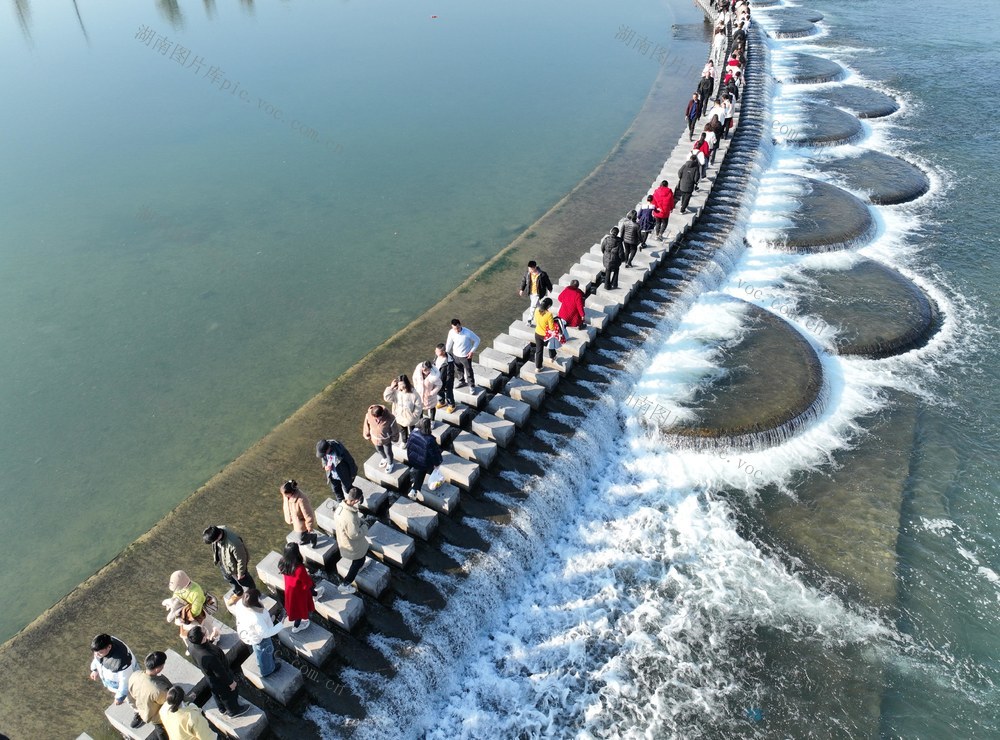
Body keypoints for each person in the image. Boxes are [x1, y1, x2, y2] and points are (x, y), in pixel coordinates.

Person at [186, 626, 249, 717]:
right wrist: (230, 683)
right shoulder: (209, 657)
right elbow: (220, 672)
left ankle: (222, 709)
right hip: (220, 678)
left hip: (209, 677)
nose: (206, 629)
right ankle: (233, 711)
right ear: (203, 638)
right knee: (228, 694)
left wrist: (210, 641)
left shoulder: (191, 646)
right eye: (204, 630)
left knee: (216, 693)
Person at [229, 588, 284, 678]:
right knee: (263, 651)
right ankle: (267, 670)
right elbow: (265, 633)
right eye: (258, 597)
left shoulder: (240, 604)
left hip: (249, 633)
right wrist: (280, 625)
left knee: (259, 651)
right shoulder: (256, 618)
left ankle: (262, 662)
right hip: (258, 637)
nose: (260, 598)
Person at [202, 525, 255, 606]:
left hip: (236, 569)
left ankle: (253, 594)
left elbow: (242, 559)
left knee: (245, 581)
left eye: (212, 542)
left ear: (217, 538)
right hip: (224, 564)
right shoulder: (217, 530)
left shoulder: (234, 543)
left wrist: (241, 573)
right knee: (229, 579)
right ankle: (239, 593)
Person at [165, 571, 220, 642]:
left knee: (207, 630)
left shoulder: (196, 592)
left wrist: (185, 617)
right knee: (185, 634)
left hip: (198, 615)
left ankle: (214, 638)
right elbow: (175, 597)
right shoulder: (179, 589)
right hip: (186, 615)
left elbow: (196, 611)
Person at [127, 651, 171, 739]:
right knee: (163, 731)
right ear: (157, 669)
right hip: (157, 717)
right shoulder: (158, 690)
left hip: (143, 711)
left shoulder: (135, 675)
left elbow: (130, 696)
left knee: (160, 731)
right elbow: (171, 702)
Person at [334, 487, 371, 590]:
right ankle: (345, 584)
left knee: (360, 558)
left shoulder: (340, 508)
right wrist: (365, 527)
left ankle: (360, 566)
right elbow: (354, 535)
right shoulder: (349, 517)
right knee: (358, 561)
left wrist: (358, 521)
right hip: (352, 544)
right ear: (355, 500)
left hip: (343, 540)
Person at [89, 633, 136, 706]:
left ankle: (138, 711)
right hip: (114, 682)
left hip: (127, 683)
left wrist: (120, 697)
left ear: (109, 647)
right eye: (95, 652)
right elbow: (97, 660)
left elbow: (125, 681)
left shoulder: (122, 661)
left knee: (132, 699)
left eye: (100, 652)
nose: (96, 655)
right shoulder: (101, 647)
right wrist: (95, 669)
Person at [405, 418, 443, 499]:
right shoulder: (430, 440)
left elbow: (409, 446)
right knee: (429, 470)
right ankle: (434, 482)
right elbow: (434, 454)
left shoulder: (412, 433)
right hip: (425, 461)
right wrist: (437, 463)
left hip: (414, 459)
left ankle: (414, 490)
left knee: (421, 471)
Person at [383, 374, 422, 444]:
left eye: (402, 384)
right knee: (402, 429)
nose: (401, 387)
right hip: (400, 416)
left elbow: (418, 406)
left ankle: (413, 440)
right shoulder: (396, 392)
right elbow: (387, 398)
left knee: (413, 429)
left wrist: (414, 416)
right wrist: (391, 388)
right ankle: (404, 441)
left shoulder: (414, 394)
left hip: (411, 418)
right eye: (399, 384)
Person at [316, 438, 358, 503]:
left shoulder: (339, 450)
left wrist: (353, 474)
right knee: (336, 490)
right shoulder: (324, 453)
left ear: (328, 448)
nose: (324, 455)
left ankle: (359, 495)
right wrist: (325, 467)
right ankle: (341, 504)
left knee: (347, 489)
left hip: (343, 475)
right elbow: (323, 460)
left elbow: (350, 461)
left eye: (324, 453)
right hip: (332, 476)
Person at [280, 479, 318, 547]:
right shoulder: (286, 495)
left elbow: (308, 514)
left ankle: (313, 537)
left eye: (286, 495)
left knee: (301, 537)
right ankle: (305, 538)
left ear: (291, 492)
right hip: (294, 518)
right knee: (300, 536)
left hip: (301, 521)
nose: (285, 496)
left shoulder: (301, 500)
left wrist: (309, 527)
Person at [362, 403, 399, 472]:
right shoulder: (368, 415)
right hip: (375, 438)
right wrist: (367, 435)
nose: (376, 419)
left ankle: (390, 463)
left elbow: (395, 429)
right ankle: (384, 458)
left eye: (377, 417)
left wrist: (395, 438)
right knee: (379, 449)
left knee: (388, 451)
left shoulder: (390, 418)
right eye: (374, 417)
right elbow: (366, 425)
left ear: (382, 414)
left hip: (386, 439)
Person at [445, 319, 480, 389]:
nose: (456, 330)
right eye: (454, 328)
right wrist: (446, 353)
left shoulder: (467, 332)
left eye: (458, 328)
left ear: (460, 325)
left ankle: (471, 386)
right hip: (455, 355)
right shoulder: (451, 332)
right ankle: (462, 381)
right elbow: (449, 343)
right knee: (458, 370)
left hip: (466, 356)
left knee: (469, 371)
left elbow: (477, 340)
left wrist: (472, 351)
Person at [532, 297, 560, 370]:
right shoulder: (549, 314)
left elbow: (536, 320)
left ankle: (538, 367)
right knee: (551, 344)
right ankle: (552, 357)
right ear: (548, 306)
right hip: (546, 335)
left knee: (539, 350)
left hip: (537, 333)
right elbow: (551, 328)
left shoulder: (537, 310)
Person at [433, 343, 456, 414]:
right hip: (438, 379)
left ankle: (452, 405)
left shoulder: (449, 362)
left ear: (443, 352)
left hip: (446, 381)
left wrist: (447, 383)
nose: (436, 352)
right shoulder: (437, 357)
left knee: (448, 393)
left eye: (438, 351)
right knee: (439, 392)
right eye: (436, 351)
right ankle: (442, 402)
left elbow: (450, 374)